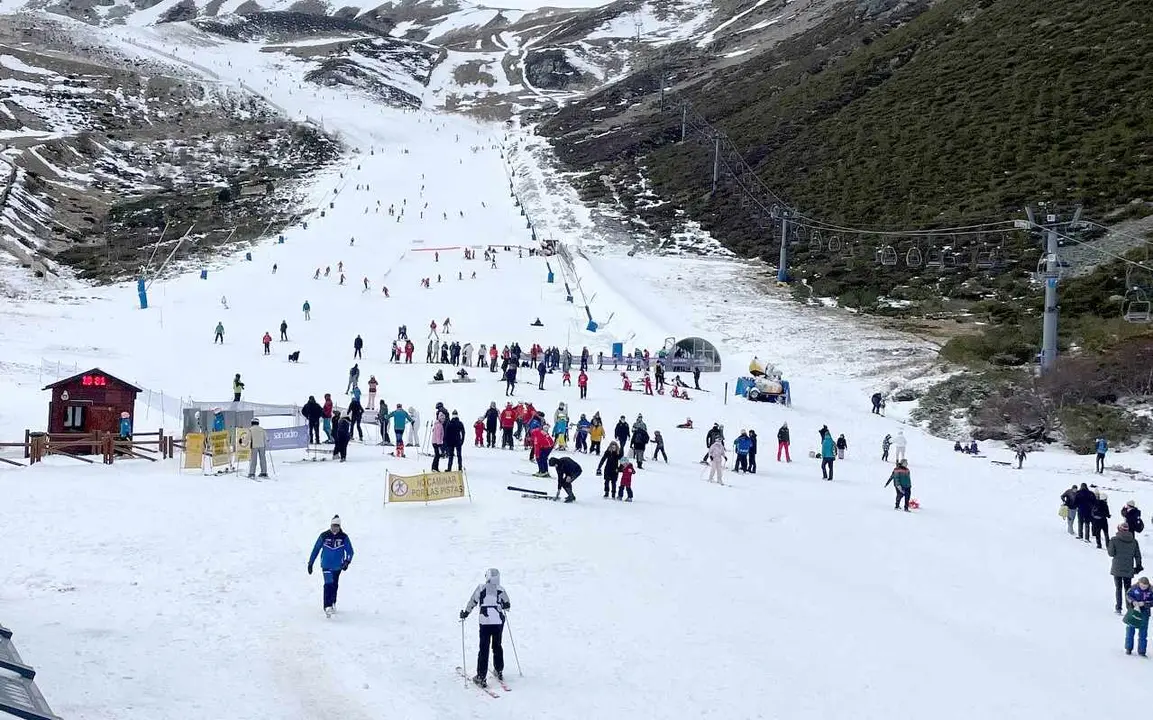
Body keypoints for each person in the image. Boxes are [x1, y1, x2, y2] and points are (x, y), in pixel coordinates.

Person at [459, 568, 510, 687]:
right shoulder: (500, 589)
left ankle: (481, 677)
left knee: (484, 648)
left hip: (485, 622)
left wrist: (466, 613)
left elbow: (473, 601)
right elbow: (507, 605)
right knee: (497, 645)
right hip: (498, 622)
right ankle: (499, 670)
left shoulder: (481, 588)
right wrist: (501, 605)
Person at [307, 515, 353, 618]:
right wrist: (310, 563)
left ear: (339, 526)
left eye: (336, 526)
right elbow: (316, 549)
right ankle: (327, 606)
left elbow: (350, 551)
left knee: (334, 584)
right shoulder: (324, 535)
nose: (334, 528)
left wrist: (346, 562)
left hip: (337, 566)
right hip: (326, 565)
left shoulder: (344, 537)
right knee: (328, 584)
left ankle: (333, 602)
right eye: (333, 525)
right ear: (330, 525)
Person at [1109, 524, 1143, 614]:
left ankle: (1118, 608)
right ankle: (1129, 608)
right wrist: (1138, 566)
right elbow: (1137, 555)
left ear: (1119, 529)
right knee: (1128, 589)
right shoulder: (1134, 541)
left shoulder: (1114, 540)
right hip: (1128, 568)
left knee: (1118, 588)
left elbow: (1111, 553)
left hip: (1117, 568)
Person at [1125, 577, 1153, 656]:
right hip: (1134, 611)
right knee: (1130, 630)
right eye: (1142, 586)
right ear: (1139, 583)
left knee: (1143, 632)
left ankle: (1142, 651)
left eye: (1145, 587)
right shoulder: (1134, 588)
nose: (1143, 588)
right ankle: (1128, 648)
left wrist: (1145, 603)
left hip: (1145, 612)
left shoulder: (1151, 590)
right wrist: (1133, 602)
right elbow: (1128, 595)